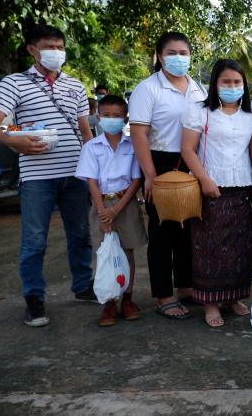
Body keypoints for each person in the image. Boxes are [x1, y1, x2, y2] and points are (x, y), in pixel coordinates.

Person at [0, 24, 96, 327]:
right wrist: (15, 142)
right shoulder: (14, 83)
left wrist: (94, 171)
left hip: (76, 175)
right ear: (32, 50)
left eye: (60, 47)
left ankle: (83, 287)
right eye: (49, 47)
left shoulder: (75, 86)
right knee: (34, 241)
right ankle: (34, 299)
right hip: (37, 177)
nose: (56, 52)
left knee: (81, 235)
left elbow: (85, 133)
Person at [128, 31, 207, 320]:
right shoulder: (148, 89)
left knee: (188, 228)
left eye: (183, 53)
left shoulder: (198, 89)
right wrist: (149, 175)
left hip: (192, 162)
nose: (178, 58)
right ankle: (163, 294)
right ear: (160, 57)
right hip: (160, 162)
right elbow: (139, 134)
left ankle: (185, 286)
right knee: (163, 231)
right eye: (171, 53)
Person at [181, 59, 252, 328]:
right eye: (226, 81)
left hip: (243, 189)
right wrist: (204, 179)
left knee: (240, 247)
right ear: (215, 83)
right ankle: (210, 302)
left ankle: (233, 297)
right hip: (210, 188)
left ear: (244, 85)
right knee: (209, 247)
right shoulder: (199, 112)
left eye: (237, 82)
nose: (232, 86)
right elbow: (187, 149)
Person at [75, 95, 147, 327]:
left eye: (117, 116)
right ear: (98, 117)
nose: (111, 119)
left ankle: (127, 299)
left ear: (125, 118)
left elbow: (136, 180)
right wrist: (103, 212)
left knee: (127, 252)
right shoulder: (91, 147)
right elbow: (91, 181)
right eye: (106, 115)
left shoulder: (133, 145)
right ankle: (109, 303)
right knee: (105, 253)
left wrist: (116, 209)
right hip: (101, 205)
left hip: (125, 204)